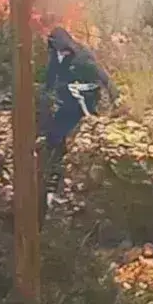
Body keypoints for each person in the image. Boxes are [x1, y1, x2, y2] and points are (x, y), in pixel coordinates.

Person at [38, 26, 122, 208]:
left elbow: (103, 77)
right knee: (53, 137)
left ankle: (58, 187)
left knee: (62, 139)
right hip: (66, 104)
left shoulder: (82, 57)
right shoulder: (57, 57)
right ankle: (50, 185)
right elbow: (51, 78)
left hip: (82, 104)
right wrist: (45, 95)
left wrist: (116, 97)